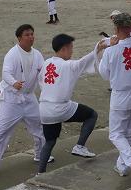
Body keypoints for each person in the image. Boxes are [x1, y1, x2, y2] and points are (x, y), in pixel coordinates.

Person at [0, 24, 47, 176]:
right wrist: (14, 82)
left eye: (32, 34)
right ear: (19, 38)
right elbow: (6, 73)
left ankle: (41, 154)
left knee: (40, 126)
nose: (31, 37)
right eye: (27, 35)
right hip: (11, 98)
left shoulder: (37, 54)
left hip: (29, 97)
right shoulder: (12, 54)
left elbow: (42, 75)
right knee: (2, 131)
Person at [98, 13, 131, 184]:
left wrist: (108, 49)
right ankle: (122, 165)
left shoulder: (111, 50)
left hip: (121, 95)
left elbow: (104, 74)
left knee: (115, 134)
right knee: (127, 132)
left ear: (117, 29)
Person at [37, 33, 99, 173]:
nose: (72, 51)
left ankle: (40, 172)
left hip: (44, 109)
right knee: (91, 115)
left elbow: (40, 81)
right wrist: (98, 48)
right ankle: (79, 146)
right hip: (61, 107)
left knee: (50, 142)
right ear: (64, 48)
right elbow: (83, 62)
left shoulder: (47, 63)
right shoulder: (68, 65)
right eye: (71, 48)